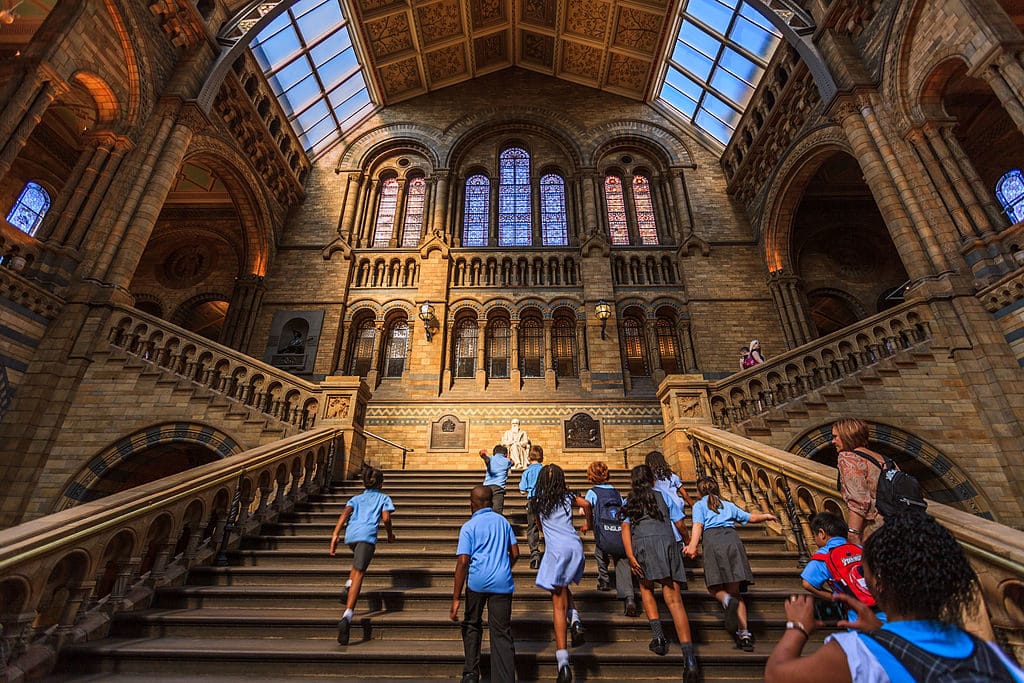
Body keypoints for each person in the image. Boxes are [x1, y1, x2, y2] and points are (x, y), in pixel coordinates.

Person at [765, 513, 1024, 683]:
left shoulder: (857, 652)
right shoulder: (990, 653)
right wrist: (882, 631)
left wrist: (797, 626)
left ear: (877, 583)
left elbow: (777, 675)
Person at [621, 464, 699, 683]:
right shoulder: (664, 496)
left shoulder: (630, 500)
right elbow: (680, 523)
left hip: (642, 545)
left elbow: (625, 528)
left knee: (646, 589)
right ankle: (690, 658)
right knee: (675, 600)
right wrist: (687, 541)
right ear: (652, 479)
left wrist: (629, 555)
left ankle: (658, 638)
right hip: (666, 544)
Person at [684, 476, 777, 652]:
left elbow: (698, 526)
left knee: (714, 587)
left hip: (714, 542)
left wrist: (692, 546)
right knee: (736, 592)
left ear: (699, 491)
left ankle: (726, 600)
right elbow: (750, 518)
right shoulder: (728, 505)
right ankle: (745, 634)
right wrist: (766, 516)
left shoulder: (698, 505)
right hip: (733, 541)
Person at [451, 485, 520, 683]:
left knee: (472, 624)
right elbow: (515, 553)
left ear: (471, 504)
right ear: (491, 502)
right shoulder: (503, 522)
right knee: (501, 632)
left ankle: (471, 673)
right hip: (501, 582)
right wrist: (504, 567)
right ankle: (505, 678)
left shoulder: (469, 527)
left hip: (476, 582)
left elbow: (463, 562)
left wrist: (456, 598)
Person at [531, 464, 591, 683]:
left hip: (556, 551)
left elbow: (538, 527)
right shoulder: (569, 497)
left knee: (557, 604)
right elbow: (587, 503)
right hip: (574, 547)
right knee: (563, 586)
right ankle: (575, 618)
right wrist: (588, 523)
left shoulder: (537, 503)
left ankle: (563, 662)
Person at [329, 465, 396, 646]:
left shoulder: (356, 498)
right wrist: (390, 534)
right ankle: (348, 615)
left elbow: (345, 514)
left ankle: (348, 585)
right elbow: (386, 518)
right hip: (366, 536)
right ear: (381, 484)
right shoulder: (383, 497)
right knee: (360, 572)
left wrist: (335, 534)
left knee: (357, 563)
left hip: (351, 536)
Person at [800, 512, 884, 626]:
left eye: (815, 535)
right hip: (883, 606)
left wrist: (835, 597)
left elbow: (807, 584)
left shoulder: (823, 556)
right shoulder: (859, 548)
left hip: (857, 615)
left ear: (821, 533)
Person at [583, 461, 638, 616]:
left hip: (603, 533)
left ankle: (604, 580)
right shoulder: (616, 492)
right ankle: (629, 597)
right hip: (619, 532)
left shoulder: (592, 492)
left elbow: (584, 509)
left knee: (600, 553)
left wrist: (588, 523)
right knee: (622, 561)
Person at [832, 418, 882, 542]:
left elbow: (858, 501)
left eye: (835, 437)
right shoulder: (883, 459)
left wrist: (853, 533)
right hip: (898, 524)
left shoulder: (848, 458)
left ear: (847, 436)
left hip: (873, 529)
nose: (833, 441)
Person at [518, 444, 545, 569]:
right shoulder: (546, 470)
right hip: (545, 500)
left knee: (532, 527)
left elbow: (522, 490)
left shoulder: (527, 472)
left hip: (532, 500)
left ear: (529, 458)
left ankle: (534, 555)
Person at [481, 444, 514, 514]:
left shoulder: (491, 458)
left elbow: (487, 460)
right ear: (505, 454)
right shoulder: (507, 461)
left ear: (494, 453)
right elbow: (513, 462)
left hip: (487, 487)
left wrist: (484, 455)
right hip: (498, 488)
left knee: (485, 508)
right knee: (497, 510)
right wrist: (508, 457)